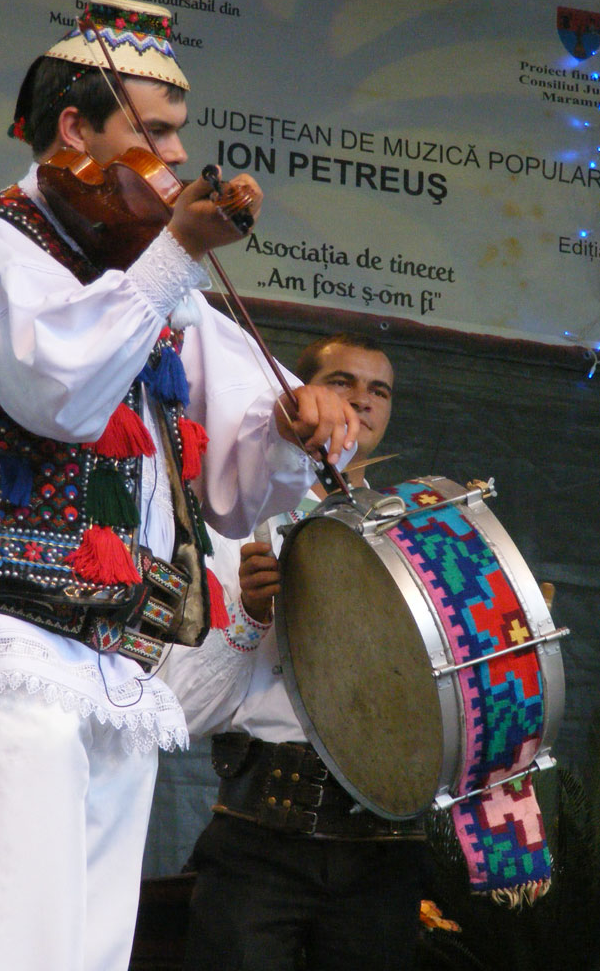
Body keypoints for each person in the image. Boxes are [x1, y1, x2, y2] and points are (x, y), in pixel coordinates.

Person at [0, 0, 357, 971]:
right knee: (10, 941)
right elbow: (57, 392)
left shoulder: (160, 285)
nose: (171, 160)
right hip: (13, 641)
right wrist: (178, 254)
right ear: (73, 130)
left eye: (177, 136)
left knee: (88, 951)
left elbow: (248, 475)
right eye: (152, 134)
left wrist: (296, 421)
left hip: (121, 657)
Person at [160, 333, 431, 971]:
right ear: (299, 394)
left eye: (379, 390)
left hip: (386, 848)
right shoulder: (234, 518)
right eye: (342, 382)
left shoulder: (423, 537)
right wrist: (251, 614)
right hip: (259, 841)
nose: (362, 401)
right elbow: (178, 711)